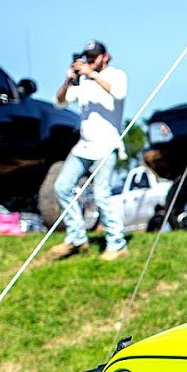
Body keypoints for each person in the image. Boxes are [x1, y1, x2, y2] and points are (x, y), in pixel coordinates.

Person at [50, 40, 129, 261]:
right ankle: (76, 238)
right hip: (83, 146)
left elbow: (119, 94)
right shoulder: (83, 81)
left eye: (94, 57)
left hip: (107, 145)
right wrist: (69, 80)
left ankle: (117, 244)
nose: (91, 61)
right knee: (62, 187)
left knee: (102, 195)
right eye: (88, 57)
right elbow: (60, 102)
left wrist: (91, 75)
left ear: (105, 56)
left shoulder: (116, 75)